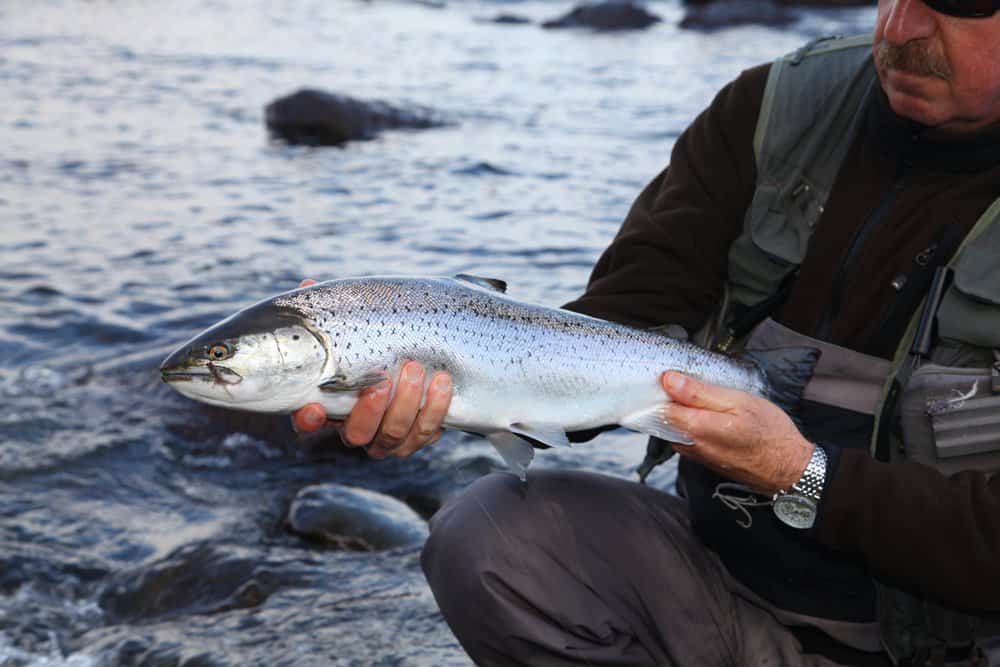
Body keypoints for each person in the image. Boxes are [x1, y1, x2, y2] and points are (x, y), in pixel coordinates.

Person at [294, 0, 1000, 664]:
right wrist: (455, 376)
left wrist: (802, 474)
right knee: (486, 538)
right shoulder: (771, 112)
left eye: (956, 3)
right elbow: (626, 311)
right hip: (724, 594)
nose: (902, 26)